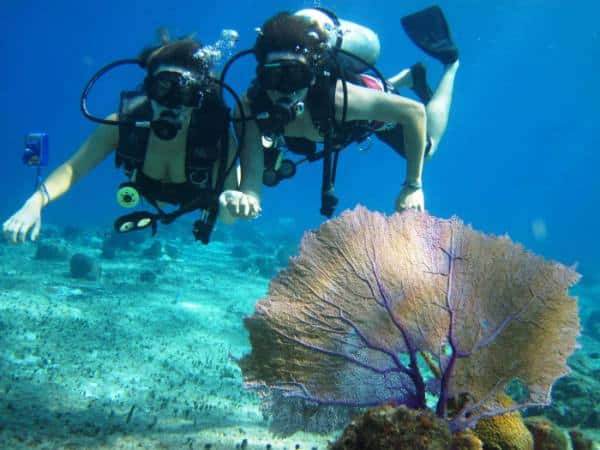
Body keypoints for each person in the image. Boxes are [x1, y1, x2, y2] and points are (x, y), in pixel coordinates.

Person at [3, 36, 260, 244]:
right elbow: (73, 168)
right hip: (148, 191)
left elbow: (227, 219)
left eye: (185, 94)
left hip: (195, 199)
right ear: (148, 90)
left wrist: (234, 202)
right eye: (162, 89)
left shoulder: (215, 137)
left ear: (198, 100)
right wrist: (34, 202)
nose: (171, 104)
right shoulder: (122, 124)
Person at [222, 5, 459, 220]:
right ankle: (406, 78)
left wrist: (413, 186)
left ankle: (450, 64)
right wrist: (247, 200)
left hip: (364, 105)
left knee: (426, 150)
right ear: (261, 77)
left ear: (311, 76)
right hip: (348, 113)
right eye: (274, 77)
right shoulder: (249, 109)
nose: (285, 89)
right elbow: (252, 182)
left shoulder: (337, 99)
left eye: (296, 76)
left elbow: (414, 112)